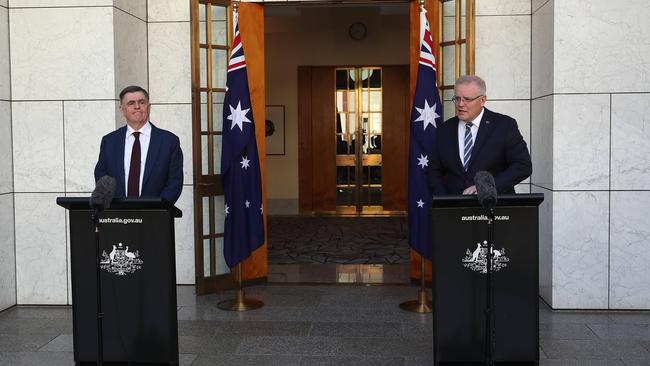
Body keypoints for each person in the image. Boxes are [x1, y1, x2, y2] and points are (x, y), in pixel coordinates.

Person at [428, 75, 531, 195]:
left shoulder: (504, 126)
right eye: (457, 98)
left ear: (482, 100)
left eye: (467, 99)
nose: (460, 104)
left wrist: (488, 187)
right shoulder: (444, 130)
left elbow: (523, 166)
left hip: (494, 207)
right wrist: (444, 201)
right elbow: (433, 170)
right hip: (454, 208)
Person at [94, 85, 183, 204]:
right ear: (122, 109)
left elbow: (174, 182)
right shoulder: (109, 141)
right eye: (131, 103)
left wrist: (159, 209)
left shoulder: (169, 141)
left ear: (149, 107)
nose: (137, 107)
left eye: (142, 102)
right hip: (117, 215)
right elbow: (101, 176)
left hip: (156, 217)